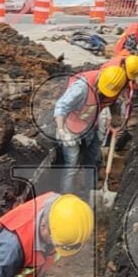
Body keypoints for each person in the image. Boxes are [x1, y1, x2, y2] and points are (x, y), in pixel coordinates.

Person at [53, 65, 128, 193]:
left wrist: (115, 115)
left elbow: (112, 101)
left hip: (91, 125)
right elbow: (61, 107)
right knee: (72, 164)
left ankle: (90, 191)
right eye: (101, 91)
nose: (103, 94)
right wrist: (62, 131)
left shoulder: (115, 86)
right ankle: (66, 197)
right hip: (70, 128)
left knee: (94, 158)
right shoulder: (81, 87)